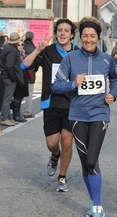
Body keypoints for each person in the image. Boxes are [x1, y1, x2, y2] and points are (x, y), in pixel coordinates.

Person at [52, 16, 117, 217]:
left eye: (92, 36)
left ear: (98, 38)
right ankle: (93, 203)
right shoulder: (71, 59)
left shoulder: (107, 60)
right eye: (85, 36)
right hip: (77, 116)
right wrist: (73, 83)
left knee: (92, 160)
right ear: (80, 38)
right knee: (85, 162)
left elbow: (115, 80)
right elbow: (56, 86)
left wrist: (113, 95)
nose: (89, 40)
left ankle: (98, 207)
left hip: (99, 115)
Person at [22, 18, 79, 192]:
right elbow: (24, 66)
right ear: (56, 33)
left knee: (67, 141)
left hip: (73, 104)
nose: (62, 33)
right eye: (59, 30)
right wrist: (37, 50)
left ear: (72, 34)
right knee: (52, 143)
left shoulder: (79, 53)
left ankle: (62, 177)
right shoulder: (47, 51)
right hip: (51, 103)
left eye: (66, 30)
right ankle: (55, 155)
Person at [0, 32, 26, 126]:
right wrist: (14, 77)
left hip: (5, 75)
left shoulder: (7, 48)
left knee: (7, 98)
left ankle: (7, 117)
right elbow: (9, 65)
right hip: (9, 77)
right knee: (8, 98)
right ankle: (5, 118)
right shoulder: (12, 51)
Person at [10, 40, 29, 123]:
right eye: (19, 45)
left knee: (21, 97)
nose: (21, 46)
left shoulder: (24, 54)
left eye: (22, 44)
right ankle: (16, 115)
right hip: (17, 76)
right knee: (17, 97)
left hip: (23, 75)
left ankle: (17, 114)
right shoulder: (15, 54)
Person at [22, 31, 37, 119]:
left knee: (18, 93)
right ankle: (27, 111)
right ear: (32, 38)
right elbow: (36, 62)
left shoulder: (21, 46)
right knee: (29, 92)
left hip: (20, 72)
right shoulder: (33, 48)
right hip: (30, 73)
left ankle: (14, 111)